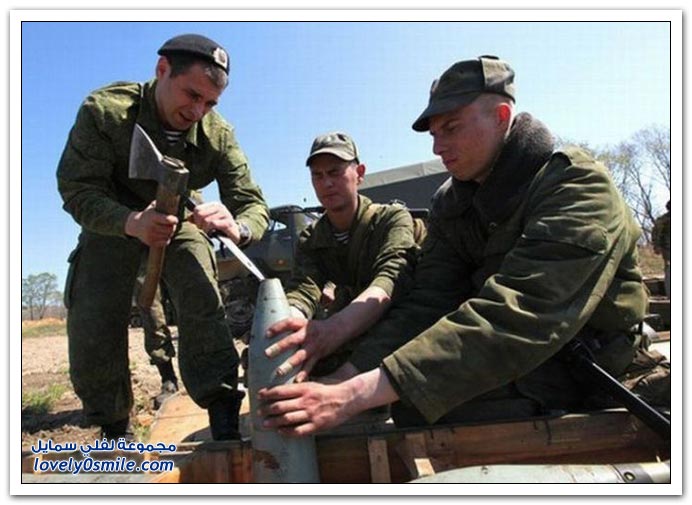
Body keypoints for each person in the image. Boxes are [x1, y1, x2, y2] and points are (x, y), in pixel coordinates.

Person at [257, 55, 670, 436]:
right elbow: (426, 302)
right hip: (512, 357)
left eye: (451, 128)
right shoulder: (453, 205)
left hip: (592, 365)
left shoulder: (575, 185)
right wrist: (348, 375)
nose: (438, 147)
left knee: (429, 406)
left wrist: (355, 393)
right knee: (413, 407)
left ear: (501, 116)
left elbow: (522, 311)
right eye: (434, 134)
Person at [57, 34, 269, 440]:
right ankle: (115, 428)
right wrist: (132, 222)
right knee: (93, 314)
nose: (197, 111)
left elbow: (251, 202)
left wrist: (237, 226)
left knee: (201, 287)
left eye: (210, 103)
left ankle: (223, 411)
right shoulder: (106, 112)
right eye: (192, 95)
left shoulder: (217, 133)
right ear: (162, 70)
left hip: (180, 218)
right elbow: (77, 190)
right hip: (113, 222)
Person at [264, 132, 419, 383]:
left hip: (398, 313)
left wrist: (333, 330)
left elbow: (391, 278)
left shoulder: (390, 219)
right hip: (353, 318)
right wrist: (287, 326)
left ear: (359, 173)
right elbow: (304, 287)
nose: (326, 183)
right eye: (318, 175)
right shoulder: (312, 237)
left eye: (335, 172)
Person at [132, 272, 179, 410]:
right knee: (151, 310)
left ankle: (206, 378)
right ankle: (168, 378)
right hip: (143, 262)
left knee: (194, 303)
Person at [651, 200, 671, 298]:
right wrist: (657, 246)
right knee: (670, 270)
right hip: (668, 249)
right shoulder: (663, 220)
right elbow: (656, 233)